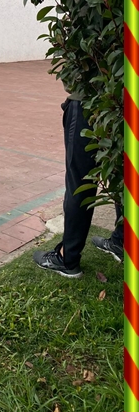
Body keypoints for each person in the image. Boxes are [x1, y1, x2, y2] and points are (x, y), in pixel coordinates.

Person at [33, 95, 124, 278]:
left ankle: (67, 258)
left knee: (80, 182)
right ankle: (122, 242)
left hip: (88, 103)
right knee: (121, 175)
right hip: (121, 106)